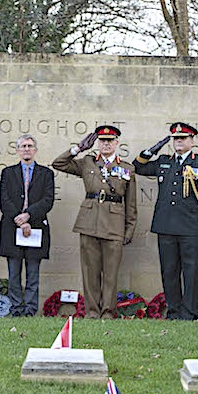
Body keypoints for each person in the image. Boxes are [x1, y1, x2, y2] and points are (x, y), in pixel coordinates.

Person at [134, 122, 198, 320]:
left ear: (191, 140)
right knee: (169, 271)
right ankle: (173, 311)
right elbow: (138, 167)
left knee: (191, 272)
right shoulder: (164, 161)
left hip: (191, 225)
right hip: (166, 224)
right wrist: (151, 150)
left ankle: (189, 313)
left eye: (183, 138)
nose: (178, 141)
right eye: (175, 138)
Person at [52, 125, 137, 319]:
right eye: (102, 141)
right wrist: (77, 149)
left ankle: (108, 312)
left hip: (114, 225)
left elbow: (131, 204)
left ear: (117, 143)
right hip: (89, 222)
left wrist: (129, 230)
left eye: (110, 141)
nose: (105, 144)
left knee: (110, 273)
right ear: (97, 143)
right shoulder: (87, 163)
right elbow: (58, 163)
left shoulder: (127, 168)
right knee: (90, 272)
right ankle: (92, 312)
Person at [0, 134, 55, 316]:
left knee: (33, 273)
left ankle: (30, 309)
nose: (27, 149)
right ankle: (16, 308)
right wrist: (19, 219)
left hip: (36, 228)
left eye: (30, 146)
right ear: (17, 150)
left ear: (35, 150)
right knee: (14, 274)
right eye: (23, 146)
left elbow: (48, 200)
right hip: (12, 228)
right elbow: (4, 199)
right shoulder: (8, 172)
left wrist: (29, 215)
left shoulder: (46, 174)